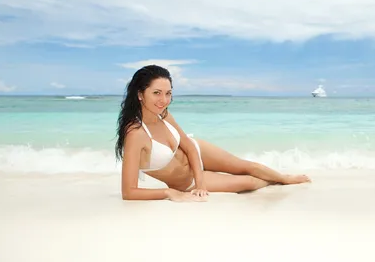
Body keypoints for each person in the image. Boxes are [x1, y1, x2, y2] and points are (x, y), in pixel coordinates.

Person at [115, 65, 311, 202]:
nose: (164, 100)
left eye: (168, 93)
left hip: (197, 152)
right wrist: (169, 192)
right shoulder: (136, 133)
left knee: (246, 166)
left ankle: (285, 179)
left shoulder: (164, 115)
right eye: (156, 93)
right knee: (249, 182)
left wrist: (201, 184)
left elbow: (188, 146)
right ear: (140, 94)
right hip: (186, 181)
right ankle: (275, 181)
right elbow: (129, 192)